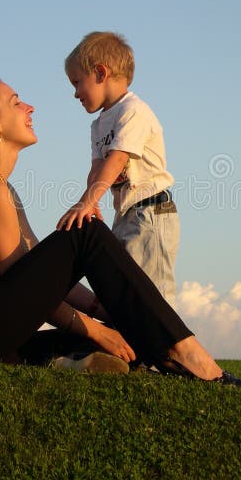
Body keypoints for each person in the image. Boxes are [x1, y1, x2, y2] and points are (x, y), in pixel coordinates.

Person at [0, 75, 241, 385]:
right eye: (16, 102)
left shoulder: (1, 189)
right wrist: (97, 328)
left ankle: (70, 360)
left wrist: (107, 314)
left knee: (127, 347)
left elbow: (40, 278)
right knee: (85, 231)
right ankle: (185, 352)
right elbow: (29, 287)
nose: (30, 108)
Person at [58, 32, 180, 307]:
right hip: (124, 213)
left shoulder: (133, 111)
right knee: (123, 286)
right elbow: (97, 168)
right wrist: (90, 202)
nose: (75, 93)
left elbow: (117, 159)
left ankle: (168, 346)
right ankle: (127, 345)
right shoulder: (99, 124)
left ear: (101, 73)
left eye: (77, 82)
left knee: (152, 288)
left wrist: (90, 201)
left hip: (151, 211)